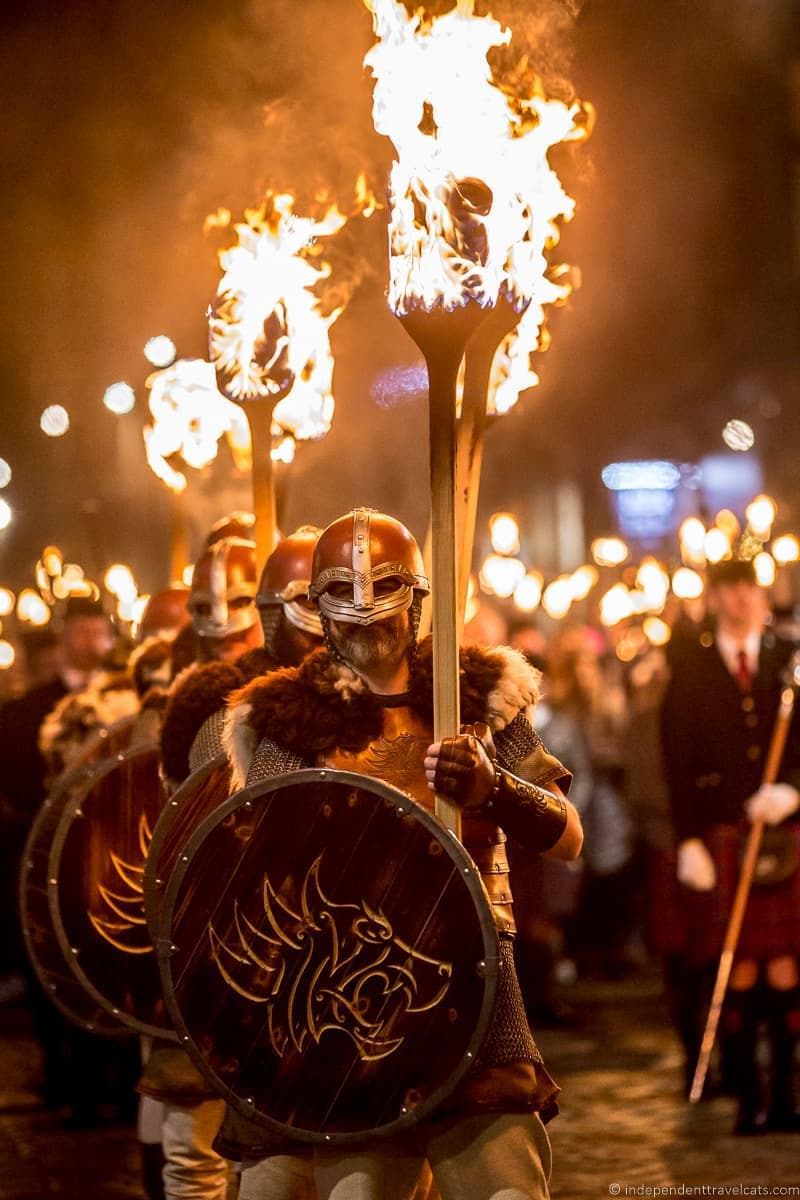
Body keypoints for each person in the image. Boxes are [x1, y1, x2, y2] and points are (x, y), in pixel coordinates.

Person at [221, 508, 583, 1200]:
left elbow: (568, 839)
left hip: (477, 997)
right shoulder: (287, 719)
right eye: (341, 597)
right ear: (315, 607)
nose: (364, 614)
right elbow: (252, 878)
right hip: (350, 1007)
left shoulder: (479, 695)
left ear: (416, 597)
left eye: (382, 594)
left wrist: (494, 788)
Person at [140, 528, 323, 1200]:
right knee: (200, 1141)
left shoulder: (352, 694)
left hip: (325, 940)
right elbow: (190, 828)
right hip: (231, 931)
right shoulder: (207, 705)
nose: (223, 622)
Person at [661, 558, 800, 1134]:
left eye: (750, 588)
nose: (742, 599)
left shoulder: (786, 662)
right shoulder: (690, 666)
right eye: (731, 590)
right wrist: (689, 838)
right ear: (716, 599)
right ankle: (748, 1098)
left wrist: (793, 789)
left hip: (783, 830)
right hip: (722, 832)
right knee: (737, 967)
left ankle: (788, 1097)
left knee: (788, 968)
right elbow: (677, 756)